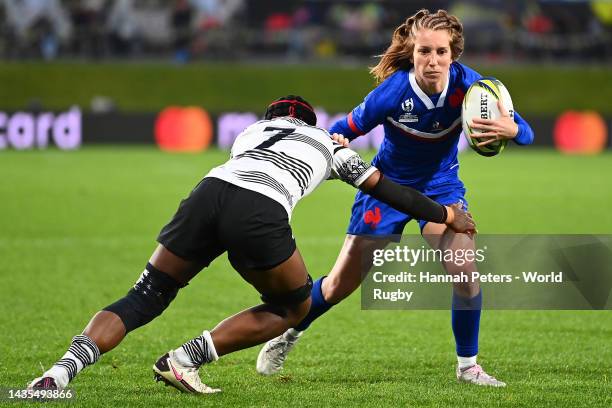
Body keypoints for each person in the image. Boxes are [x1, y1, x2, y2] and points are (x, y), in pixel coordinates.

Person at [28, 95, 475, 394]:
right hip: (261, 207)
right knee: (292, 308)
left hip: (208, 194)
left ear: (273, 118)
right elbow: (388, 190)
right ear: (308, 121)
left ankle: (57, 374)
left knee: (145, 295)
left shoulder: (250, 133)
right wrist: (446, 214)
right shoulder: (329, 145)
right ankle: (186, 357)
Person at [257, 10, 534, 387]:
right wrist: (336, 141)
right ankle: (289, 333)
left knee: (465, 271)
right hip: (386, 189)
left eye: (440, 52)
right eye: (424, 52)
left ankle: (468, 367)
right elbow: (342, 130)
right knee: (339, 285)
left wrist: (512, 127)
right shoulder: (391, 93)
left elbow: (527, 134)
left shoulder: (474, 88)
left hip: (441, 189)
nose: (432, 61)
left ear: (454, 54)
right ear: (412, 50)